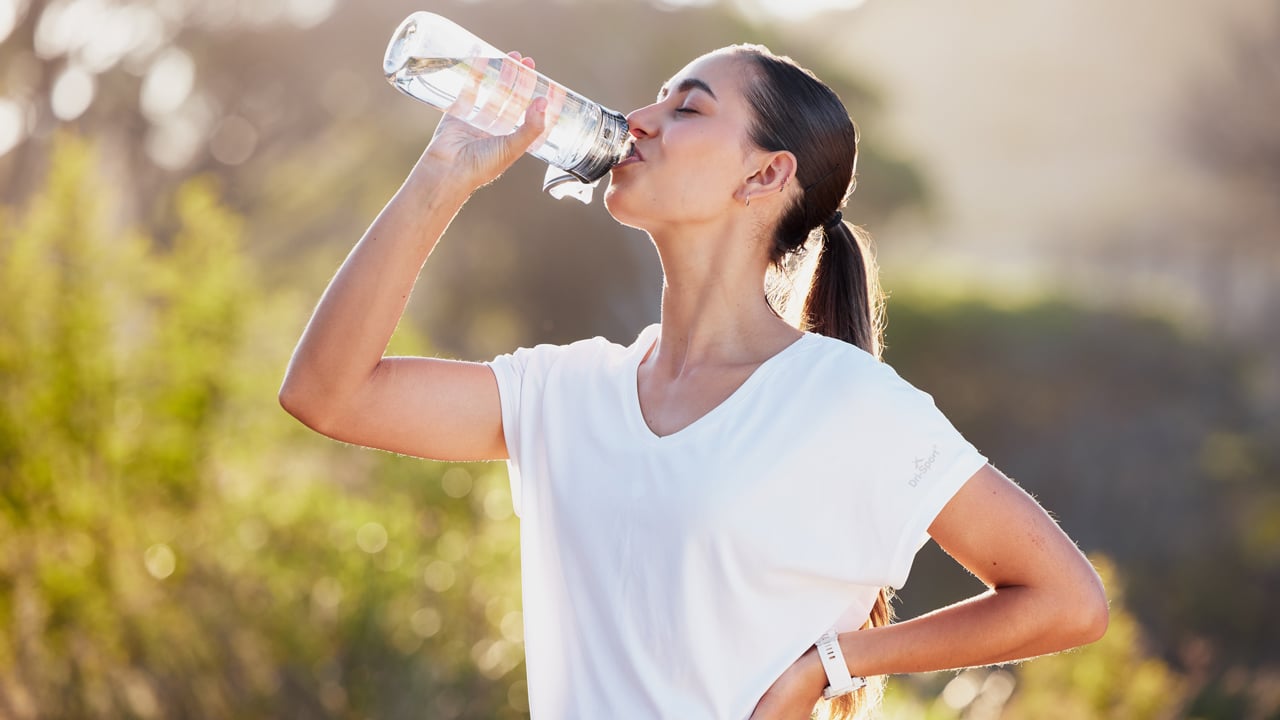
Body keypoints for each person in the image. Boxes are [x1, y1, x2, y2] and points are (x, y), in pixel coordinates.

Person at [280, 43, 1108, 720]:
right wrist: (443, 172)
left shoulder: (843, 402)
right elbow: (328, 393)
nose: (639, 121)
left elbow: (1066, 599)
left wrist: (834, 663)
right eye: (656, 100)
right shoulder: (567, 391)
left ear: (764, 177)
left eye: (689, 108)